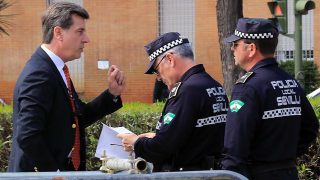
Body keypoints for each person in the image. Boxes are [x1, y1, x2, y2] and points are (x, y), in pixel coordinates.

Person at [8, 2, 125, 172]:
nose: (86, 39)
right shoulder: (40, 74)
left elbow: (76, 119)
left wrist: (111, 94)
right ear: (58, 33)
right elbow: (28, 136)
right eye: (80, 31)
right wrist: (54, 174)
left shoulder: (56, 68)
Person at [221, 18, 319, 179]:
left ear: (251, 48)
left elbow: (235, 146)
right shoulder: (290, 81)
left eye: (236, 44)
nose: (232, 49)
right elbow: (310, 127)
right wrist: (283, 156)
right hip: (288, 173)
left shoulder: (247, 88)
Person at [117, 32, 228, 172]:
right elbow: (194, 133)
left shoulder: (188, 90)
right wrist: (158, 136)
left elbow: (164, 147)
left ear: (170, 59)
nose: (158, 77)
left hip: (189, 173)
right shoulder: (213, 85)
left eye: (157, 69)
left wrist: (136, 142)